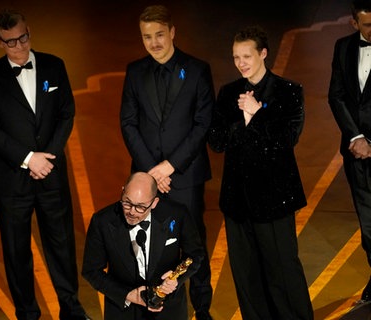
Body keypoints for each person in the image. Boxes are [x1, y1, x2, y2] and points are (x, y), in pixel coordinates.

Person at [0, 9, 89, 320]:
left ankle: (71, 309)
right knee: (16, 250)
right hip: (13, 179)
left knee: (62, 244)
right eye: (11, 42)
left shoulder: (55, 65)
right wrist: (28, 159)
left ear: (30, 31)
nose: (19, 46)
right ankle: (27, 313)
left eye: (23, 38)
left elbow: (67, 113)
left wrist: (47, 158)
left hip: (51, 173)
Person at [208, 26, 313, 319]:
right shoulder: (229, 93)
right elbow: (216, 141)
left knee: (282, 272)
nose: (241, 63)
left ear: (263, 54)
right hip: (237, 203)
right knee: (247, 277)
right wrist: (243, 120)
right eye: (236, 57)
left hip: (275, 200)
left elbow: (287, 138)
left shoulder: (288, 91)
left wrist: (258, 113)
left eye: (246, 56)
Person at [119, 5, 215, 319]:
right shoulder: (134, 71)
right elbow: (128, 123)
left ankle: (202, 310)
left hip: (184, 176)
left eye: (160, 35)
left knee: (193, 246)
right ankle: (153, 305)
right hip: (148, 180)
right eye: (147, 36)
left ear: (172, 32)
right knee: (148, 244)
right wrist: (151, 172)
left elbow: (203, 124)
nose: (154, 42)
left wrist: (168, 167)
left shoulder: (198, 70)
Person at [82, 172, 205, 320]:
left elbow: (195, 254)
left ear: (154, 202)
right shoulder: (102, 221)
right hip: (123, 311)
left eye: (140, 207)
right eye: (127, 203)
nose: (132, 212)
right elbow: (91, 271)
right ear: (122, 191)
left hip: (169, 311)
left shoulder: (177, 214)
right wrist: (127, 295)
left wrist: (176, 279)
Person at [329, 0, 371, 302]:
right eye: (368, 24)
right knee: (368, 222)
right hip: (356, 151)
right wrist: (356, 136)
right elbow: (336, 96)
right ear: (354, 24)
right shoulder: (342, 47)